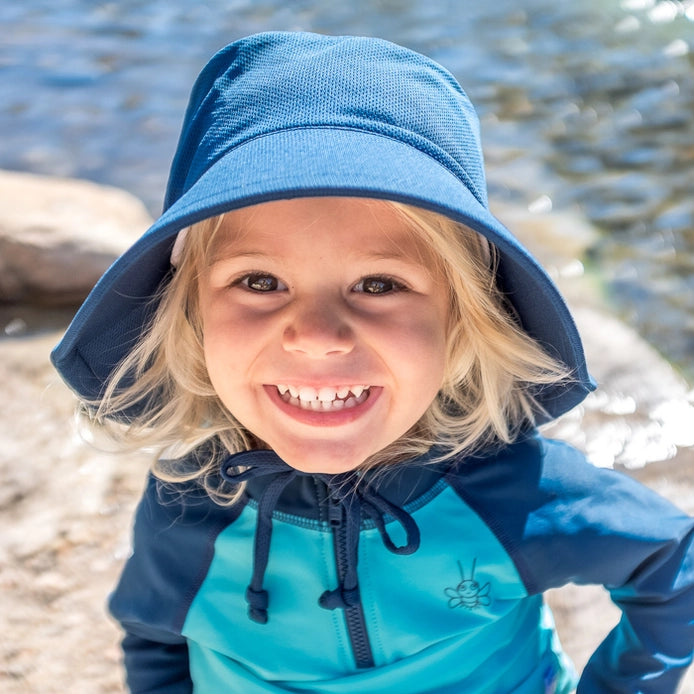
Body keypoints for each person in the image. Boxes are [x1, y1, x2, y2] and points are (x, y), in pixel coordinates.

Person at [51, 31, 694, 693]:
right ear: (190, 318)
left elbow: (671, 560)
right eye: (261, 282)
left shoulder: (509, 492)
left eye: (379, 285)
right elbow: (155, 638)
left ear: (462, 318)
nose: (318, 336)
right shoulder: (191, 501)